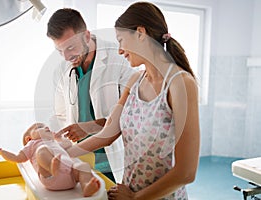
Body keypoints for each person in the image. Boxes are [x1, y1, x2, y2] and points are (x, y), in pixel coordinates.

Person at [58, 2, 200, 200]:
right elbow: (108, 132)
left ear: (140, 33)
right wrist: (63, 154)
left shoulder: (181, 84)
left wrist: (136, 198)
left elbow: (186, 172)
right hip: (127, 190)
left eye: (121, 40)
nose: (120, 50)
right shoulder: (135, 81)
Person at [46, 8, 136, 183]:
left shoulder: (121, 59)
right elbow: (60, 114)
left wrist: (90, 126)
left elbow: (131, 116)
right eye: (59, 51)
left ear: (86, 36)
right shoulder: (61, 71)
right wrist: (50, 138)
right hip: (81, 159)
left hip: (114, 157)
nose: (66, 57)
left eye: (70, 47)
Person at [0, 122, 100, 197]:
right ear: (29, 138)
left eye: (46, 126)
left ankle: (86, 186)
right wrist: (2, 152)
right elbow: (17, 158)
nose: (46, 127)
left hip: (71, 176)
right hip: (49, 176)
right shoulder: (33, 144)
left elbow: (67, 144)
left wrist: (58, 138)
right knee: (42, 150)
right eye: (40, 127)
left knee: (83, 166)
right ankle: (51, 166)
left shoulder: (55, 143)